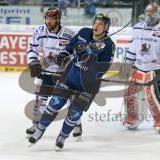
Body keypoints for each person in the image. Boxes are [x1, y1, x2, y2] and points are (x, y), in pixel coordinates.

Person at [28, 13, 115, 150]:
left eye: (100, 24)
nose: (96, 26)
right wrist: (63, 56)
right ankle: (39, 131)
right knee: (53, 105)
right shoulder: (84, 32)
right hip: (70, 78)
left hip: (87, 86)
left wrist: (90, 54)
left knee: (74, 114)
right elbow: (69, 48)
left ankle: (62, 137)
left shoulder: (109, 45)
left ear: (106, 28)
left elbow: (102, 68)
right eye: (96, 22)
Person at [122, 1, 160, 133]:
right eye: (147, 12)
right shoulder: (137, 28)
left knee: (153, 95)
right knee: (130, 94)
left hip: (156, 70)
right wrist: (127, 65)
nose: (149, 15)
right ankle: (132, 118)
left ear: (158, 14)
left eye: (152, 13)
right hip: (139, 68)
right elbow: (132, 48)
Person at [26, 7, 77, 136]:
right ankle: (36, 123)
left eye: (52, 19)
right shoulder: (39, 31)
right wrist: (33, 62)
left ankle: (76, 123)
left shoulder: (69, 34)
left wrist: (67, 61)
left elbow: (77, 54)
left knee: (71, 99)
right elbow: (32, 49)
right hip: (47, 70)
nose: (48, 21)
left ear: (58, 19)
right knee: (41, 98)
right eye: (47, 18)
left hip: (64, 73)